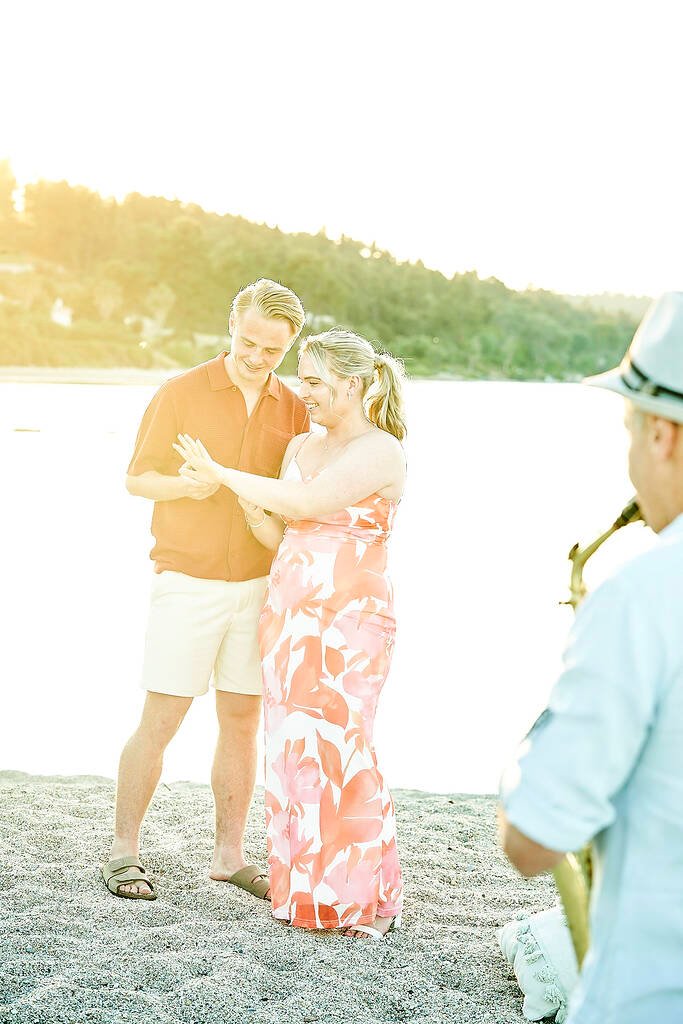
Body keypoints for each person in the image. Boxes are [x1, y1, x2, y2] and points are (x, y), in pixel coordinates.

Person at [174, 328, 407, 939]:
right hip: (289, 616)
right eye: (303, 379)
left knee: (344, 747)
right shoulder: (301, 445)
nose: (303, 392)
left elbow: (310, 503)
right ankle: (301, 894)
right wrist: (253, 514)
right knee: (295, 749)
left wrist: (224, 474)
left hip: (351, 621)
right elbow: (284, 534)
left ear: (353, 385)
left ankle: (356, 899)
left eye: (317, 382)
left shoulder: (382, 451)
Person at [498, 291, 683, 1022]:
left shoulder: (641, 596)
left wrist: (524, 756)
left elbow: (533, 841)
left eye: (628, 427)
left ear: (663, 433)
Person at [101, 279, 310, 901]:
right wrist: (184, 489)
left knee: (242, 720)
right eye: (249, 342)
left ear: (288, 347)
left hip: (258, 585)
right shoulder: (181, 391)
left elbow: (298, 494)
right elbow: (137, 479)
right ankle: (123, 850)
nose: (256, 357)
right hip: (186, 581)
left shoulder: (294, 407)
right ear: (232, 326)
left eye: (272, 350)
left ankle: (228, 856)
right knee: (161, 717)